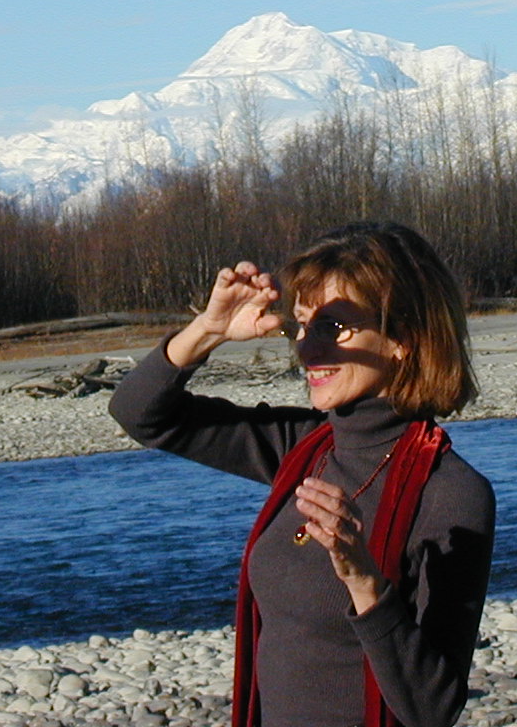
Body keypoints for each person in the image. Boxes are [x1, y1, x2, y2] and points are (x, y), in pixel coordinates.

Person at [109, 221, 495, 727]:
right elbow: (140, 413)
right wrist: (209, 329)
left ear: (404, 337)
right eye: (303, 325)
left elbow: (432, 710)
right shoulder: (303, 448)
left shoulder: (450, 493)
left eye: (333, 327)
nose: (307, 349)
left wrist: (364, 583)